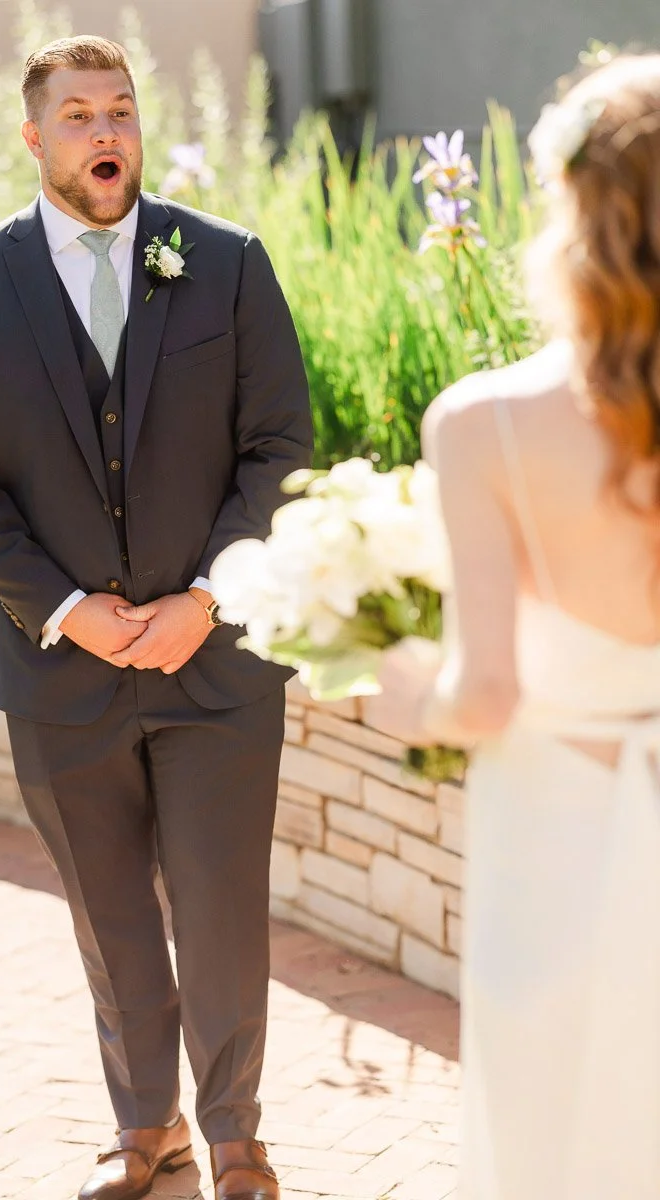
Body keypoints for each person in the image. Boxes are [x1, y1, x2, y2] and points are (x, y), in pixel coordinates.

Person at [0, 35, 312, 1200]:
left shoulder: (225, 263)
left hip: (216, 661)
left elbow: (278, 449)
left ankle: (235, 1137)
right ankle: (149, 1130)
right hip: (59, 669)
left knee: (220, 902)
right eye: (78, 114)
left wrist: (206, 598)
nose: (105, 132)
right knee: (108, 917)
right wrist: (70, 609)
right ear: (35, 139)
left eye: (122, 111)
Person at [367, 54, 660, 1200]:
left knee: (556, 1145)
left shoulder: (483, 424)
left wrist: (398, 692)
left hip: (559, 853)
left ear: (565, 210)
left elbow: (478, 697)